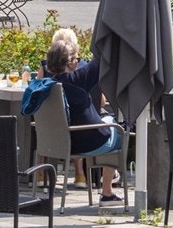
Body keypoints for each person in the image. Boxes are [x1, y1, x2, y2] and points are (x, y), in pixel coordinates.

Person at [42, 38, 122, 203]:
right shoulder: (78, 79)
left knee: (109, 121)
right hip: (89, 142)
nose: (78, 63)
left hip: (58, 144)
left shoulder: (43, 85)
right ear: (70, 63)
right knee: (121, 128)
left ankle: (106, 185)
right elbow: (100, 59)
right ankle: (107, 190)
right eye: (77, 59)